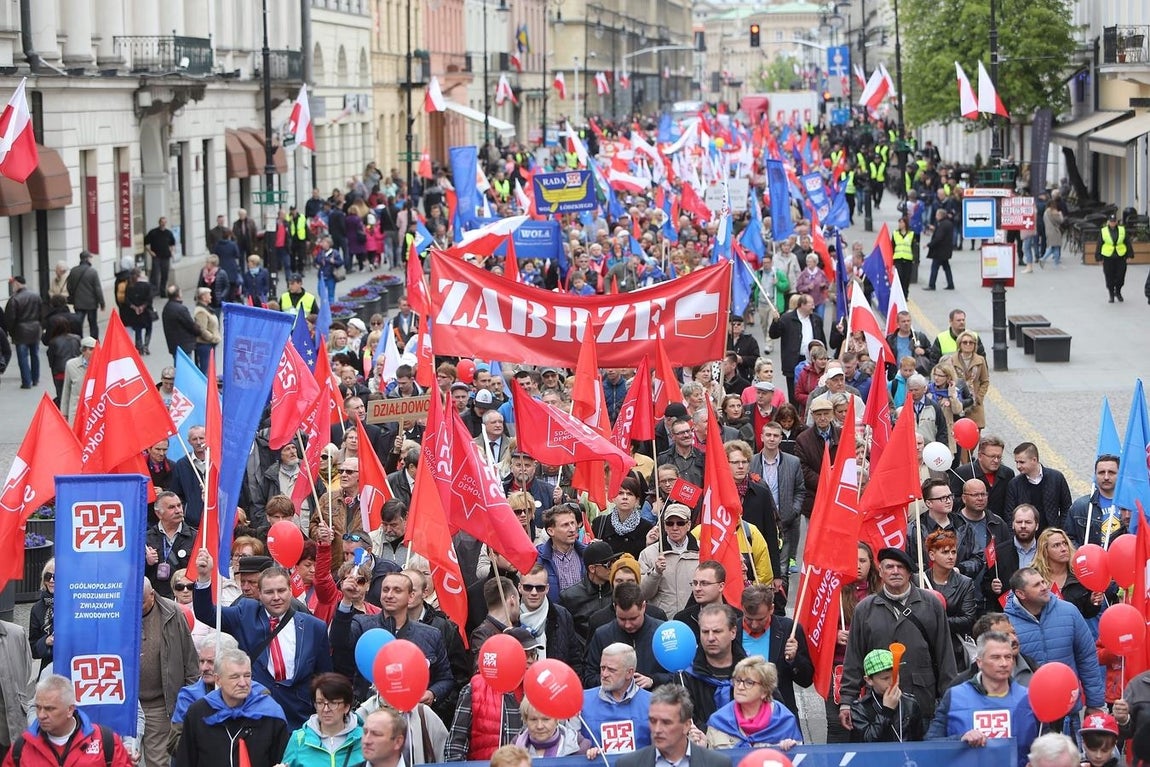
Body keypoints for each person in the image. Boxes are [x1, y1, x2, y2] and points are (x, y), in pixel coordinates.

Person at [191, 551, 333, 729]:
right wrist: (204, 577)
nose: (276, 597)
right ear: (259, 593)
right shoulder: (245, 613)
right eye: (269, 592)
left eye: (281, 590)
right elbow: (207, 613)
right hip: (253, 714)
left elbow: (325, 678)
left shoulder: (315, 627)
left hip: (298, 718)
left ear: (290, 591)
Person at [839, 547, 956, 726]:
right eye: (889, 567)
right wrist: (847, 700)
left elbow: (945, 656)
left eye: (900, 567)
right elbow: (854, 657)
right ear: (880, 572)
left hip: (922, 699)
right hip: (879, 703)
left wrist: (951, 701)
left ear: (909, 572)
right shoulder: (865, 608)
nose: (895, 571)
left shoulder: (931, 604)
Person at [1003, 567, 1106, 728]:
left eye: (1043, 581)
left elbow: (1087, 658)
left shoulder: (1069, 612)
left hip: (1069, 713)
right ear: (1021, 594)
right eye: (1036, 585)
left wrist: (1094, 703)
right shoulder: (1006, 623)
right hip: (1028, 715)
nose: (1044, 587)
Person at [927, 631, 1038, 767]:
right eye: (996, 657)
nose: (1004, 663)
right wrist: (960, 739)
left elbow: (1046, 742)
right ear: (979, 662)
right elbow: (930, 743)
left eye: (1008, 657)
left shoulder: (1029, 697)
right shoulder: (954, 696)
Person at [175, 649, 290, 767]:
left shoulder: (271, 714)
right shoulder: (199, 712)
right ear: (218, 679)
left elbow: (282, 759)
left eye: (247, 675)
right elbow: (185, 760)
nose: (243, 683)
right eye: (235, 677)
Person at [445, 627, 538, 761]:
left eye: (533, 654)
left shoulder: (537, 689)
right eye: (525, 654)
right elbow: (455, 744)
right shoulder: (476, 688)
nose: (530, 660)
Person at [7, 675, 132, 767]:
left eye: (49, 709)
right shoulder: (22, 747)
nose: (41, 715)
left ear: (70, 709)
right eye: (38, 707)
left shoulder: (105, 741)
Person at [139, 578, 199, 767]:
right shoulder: (119, 610)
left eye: (141, 602)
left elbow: (190, 660)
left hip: (160, 704)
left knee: (159, 762)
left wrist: (190, 698)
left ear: (152, 595)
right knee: (122, 759)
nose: (136, 607)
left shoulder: (172, 613)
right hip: (128, 705)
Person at [738, 583, 812, 716]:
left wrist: (795, 659)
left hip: (779, 716)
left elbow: (806, 680)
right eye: (748, 619)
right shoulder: (731, 631)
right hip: (740, 715)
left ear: (771, 609)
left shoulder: (789, 630)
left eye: (760, 619)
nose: (754, 625)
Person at [616, 684, 731, 767]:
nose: (657, 729)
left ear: (686, 725)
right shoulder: (628, 764)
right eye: (653, 720)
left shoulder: (716, 763)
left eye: (666, 722)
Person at [583, 582, 670, 689]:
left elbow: (681, 676)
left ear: (643, 606)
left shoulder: (663, 633)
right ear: (615, 608)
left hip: (654, 700)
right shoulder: (602, 635)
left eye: (633, 618)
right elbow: (589, 678)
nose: (628, 625)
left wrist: (654, 680)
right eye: (622, 619)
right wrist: (615, 681)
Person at [705, 656, 802, 749]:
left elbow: (800, 760)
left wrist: (790, 751)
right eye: (738, 681)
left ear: (764, 691)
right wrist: (701, 747)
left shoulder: (784, 721)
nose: (740, 687)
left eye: (749, 682)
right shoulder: (719, 721)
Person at [580, 643, 652, 757]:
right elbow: (568, 745)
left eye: (611, 670)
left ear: (629, 673)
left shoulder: (654, 703)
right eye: (602, 668)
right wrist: (584, 751)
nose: (604, 674)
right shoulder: (580, 701)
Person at [277, 674, 363, 767]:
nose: (326, 709)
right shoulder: (299, 739)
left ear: (346, 707)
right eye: (320, 703)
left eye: (333, 703)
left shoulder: (364, 739)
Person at [849, 648, 925, 743]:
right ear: (869, 680)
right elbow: (867, 742)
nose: (892, 682)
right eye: (885, 678)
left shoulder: (910, 703)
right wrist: (886, 712)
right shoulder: (860, 708)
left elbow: (918, 741)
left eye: (895, 676)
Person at [1033, 527, 1103, 621]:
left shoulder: (1080, 574)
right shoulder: (1034, 577)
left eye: (1065, 543)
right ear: (1045, 551)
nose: (1063, 549)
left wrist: (1093, 602)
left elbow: (1088, 613)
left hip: (1073, 630)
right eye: (1056, 545)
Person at [1003, 442, 1073, 532]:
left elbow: (1066, 508)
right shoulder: (1014, 484)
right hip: (1025, 538)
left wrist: (1061, 531)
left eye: (1022, 462)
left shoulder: (1056, 478)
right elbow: (1009, 515)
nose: (1018, 466)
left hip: (1051, 534)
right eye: (1016, 462)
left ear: (1034, 460)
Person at [768, 294, 826, 403]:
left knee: (814, 390)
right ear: (802, 305)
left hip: (813, 361)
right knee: (794, 393)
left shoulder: (816, 319)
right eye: (811, 304)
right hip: (793, 361)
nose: (813, 307)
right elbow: (774, 335)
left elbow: (821, 339)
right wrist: (775, 321)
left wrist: (824, 357)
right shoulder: (787, 318)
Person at [950, 435, 1015, 520]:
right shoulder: (963, 473)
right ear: (980, 456)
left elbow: (1011, 504)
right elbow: (952, 503)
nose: (996, 460)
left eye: (999, 457)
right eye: (992, 456)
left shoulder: (1007, 474)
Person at [1065, 454, 1124, 547]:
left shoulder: (1131, 507)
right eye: (1101, 472)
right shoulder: (1081, 506)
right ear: (1095, 475)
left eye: (1111, 472)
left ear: (1120, 475)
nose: (1106, 477)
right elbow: (1069, 538)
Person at [514, 697, 590, 757]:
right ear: (525, 720)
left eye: (545, 719)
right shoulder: (514, 748)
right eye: (533, 719)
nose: (539, 726)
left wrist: (593, 755)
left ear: (557, 719)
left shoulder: (579, 746)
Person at [6, 276, 41, 389]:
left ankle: (27, 381)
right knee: (35, 355)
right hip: (35, 328)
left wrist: (11, 333)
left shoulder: (14, 299)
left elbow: (10, 319)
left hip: (21, 331)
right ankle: (35, 379)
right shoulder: (36, 296)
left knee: (23, 357)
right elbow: (42, 314)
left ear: (16, 283)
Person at [65, 251, 105, 339]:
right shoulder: (93, 272)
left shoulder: (74, 271)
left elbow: (69, 286)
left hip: (78, 303)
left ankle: (79, 340)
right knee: (93, 324)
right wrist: (102, 303)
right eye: (90, 258)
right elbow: (97, 289)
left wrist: (74, 296)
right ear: (87, 259)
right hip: (91, 304)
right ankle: (94, 343)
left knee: (78, 323)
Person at [1096, 212, 1130, 302]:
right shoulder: (1103, 231)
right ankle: (1111, 294)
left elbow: (1127, 242)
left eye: (1114, 221)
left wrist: (1129, 255)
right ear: (1108, 222)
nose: (1113, 223)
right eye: (1111, 221)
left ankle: (1118, 291)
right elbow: (1099, 244)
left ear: (1116, 222)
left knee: (1120, 276)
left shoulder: (1122, 230)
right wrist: (1099, 258)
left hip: (1120, 256)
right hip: (1108, 257)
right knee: (1109, 276)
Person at [924, 208, 955, 291]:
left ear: (940, 215)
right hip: (946, 250)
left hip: (940, 251)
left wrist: (929, 245)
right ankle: (950, 284)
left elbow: (939, 237)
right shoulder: (948, 223)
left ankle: (932, 285)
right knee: (946, 267)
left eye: (937, 215)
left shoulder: (941, 225)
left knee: (934, 267)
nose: (936, 216)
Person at [145, 217, 177, 292]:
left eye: (165, 222)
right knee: (155, 274)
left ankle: (162, 291)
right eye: (162, 222)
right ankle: (153, 291)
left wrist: (172, 251)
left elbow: (172, 244)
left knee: (165, 275)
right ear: (159, 222)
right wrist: (150, 252)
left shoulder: (168, 233)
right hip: (156, 256)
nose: (163, 224)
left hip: (166, 257)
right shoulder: (153, 232)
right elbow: (145, 243)